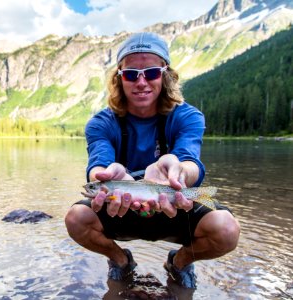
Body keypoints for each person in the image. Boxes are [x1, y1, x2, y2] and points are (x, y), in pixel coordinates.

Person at [64, 32, 240, 289]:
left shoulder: (188, 116)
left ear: (166, 75)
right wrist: (103, 178)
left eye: (152, 72)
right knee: (76, 218)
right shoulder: (101, 123)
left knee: (226, 229)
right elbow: (98, 166)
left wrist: (177, 172)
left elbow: (190, 162)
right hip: (123, 205)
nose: (141, 81)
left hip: (173, 202)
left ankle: (178, 262)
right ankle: (121, 260)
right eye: (132, 74)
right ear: (120, 78)